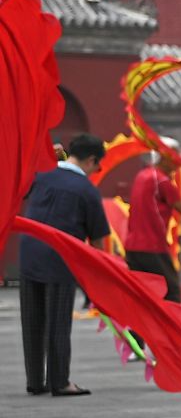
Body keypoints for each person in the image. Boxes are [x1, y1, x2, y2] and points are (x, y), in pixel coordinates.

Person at [19, 133, 111, 396]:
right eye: (98, 166)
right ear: (92, 160)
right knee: (58, 321)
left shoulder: (42, 175)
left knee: (33, 320)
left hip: (29, 252)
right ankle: (60, 382)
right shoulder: (86, 190)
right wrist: (100, 276)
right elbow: (98, 240)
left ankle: (36, 381)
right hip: (60, 258)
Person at [125, 139, 181, 351]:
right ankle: (176, 342)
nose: (178, 162)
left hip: (133, 246)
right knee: (172, 294)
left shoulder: (142, 176)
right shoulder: (163, 182)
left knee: (143, 295)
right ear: (164, 156)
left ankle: (136, 343)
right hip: (153, 247)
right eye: (175, 156)